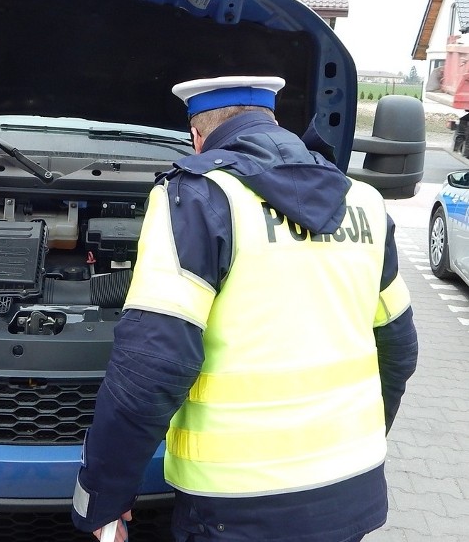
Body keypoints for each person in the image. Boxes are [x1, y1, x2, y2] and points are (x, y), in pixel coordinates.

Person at [71, 76, 419, 542]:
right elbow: (400, 347)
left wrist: (104, 496)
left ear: (198, 136)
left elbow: (154, 365)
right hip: (351, 489)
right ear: (273, 120)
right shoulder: (365, 203)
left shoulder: (197, 196)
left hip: (236, 506)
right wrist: (362, 440)